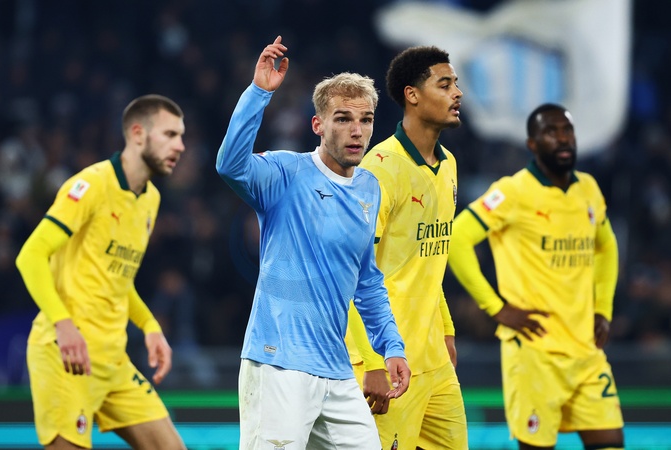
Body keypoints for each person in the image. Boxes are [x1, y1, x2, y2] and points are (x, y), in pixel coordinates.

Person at [215, 36, 411, 450]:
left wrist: (391, 347)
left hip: (336, 369)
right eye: (343, 119)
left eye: (366, 119)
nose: (357, 131)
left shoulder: (369, 189)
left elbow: (367, 281)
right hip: (278, 363)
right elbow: (230, 165)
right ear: (318, 125)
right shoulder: (285, 173)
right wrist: (259, 93)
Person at [15, 95, 187, 450]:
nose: (180, 146)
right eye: (170, 135)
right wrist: (63, 324)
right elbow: (30, 256)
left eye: (181, 136)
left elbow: (117, 279)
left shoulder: (150, 200)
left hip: (113, 360)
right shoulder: (91, 185)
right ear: (137, 134)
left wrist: (150, 326)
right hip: (66, 356)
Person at [448, 103, 624, 449]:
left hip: (586, 350)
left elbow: (607, 245)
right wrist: (496, 308)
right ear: (532, 143)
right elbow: (457, 239)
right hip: (534, 353)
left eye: (567, 130)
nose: (562, 138)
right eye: (551, 132)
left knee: (611, 441)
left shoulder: (588, 188)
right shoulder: (513, 191)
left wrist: (603, 309)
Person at [345, 45, 469, 449]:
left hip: (434, 360)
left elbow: (429, 260)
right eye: (444, 84)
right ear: (412, 95)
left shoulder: (448, 164)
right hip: (389, 361)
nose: (457, 93)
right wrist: (373, 362)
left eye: (455, 84)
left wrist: (446, 329)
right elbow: (351, 271)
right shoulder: (379, 170)